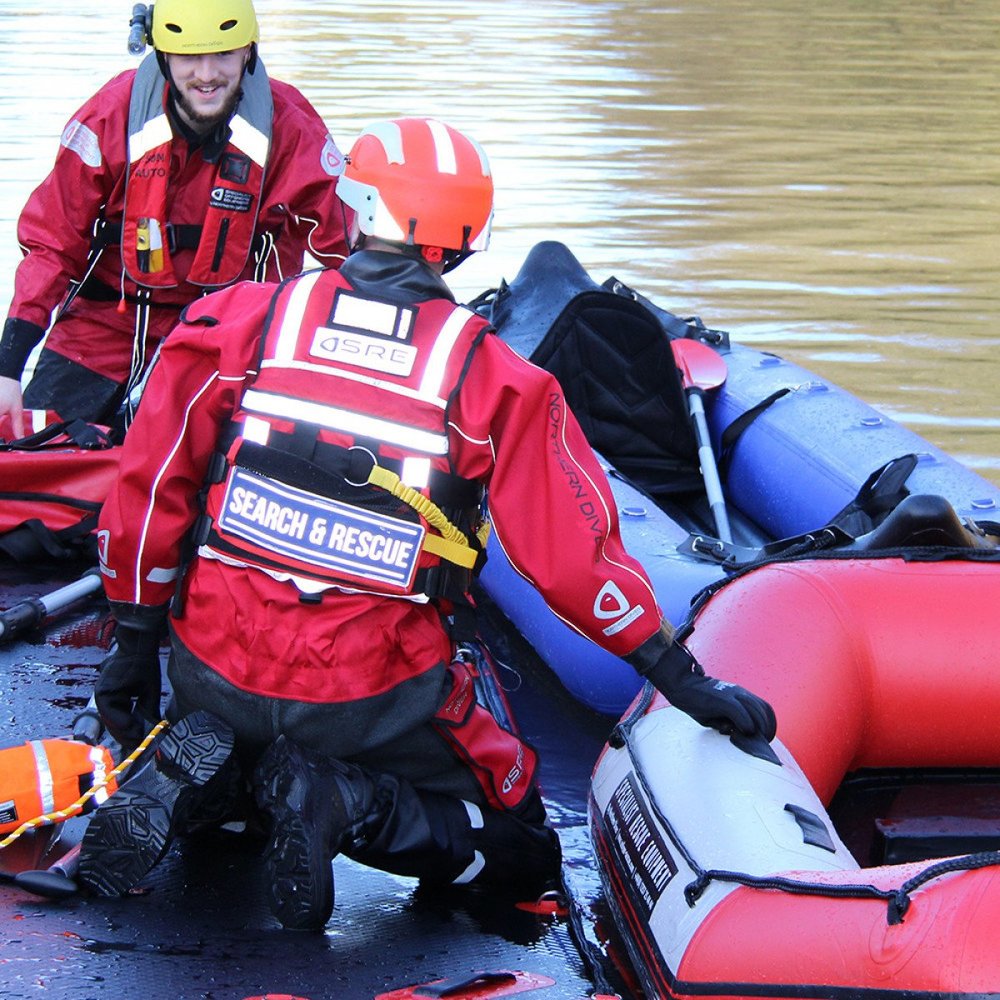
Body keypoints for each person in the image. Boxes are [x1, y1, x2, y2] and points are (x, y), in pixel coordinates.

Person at [78, 116, 776, 930]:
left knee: (241, 790)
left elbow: (151, 486)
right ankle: (348, 799)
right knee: (522, 855)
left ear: (355, 209)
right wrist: (681, 678)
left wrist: (132, 650)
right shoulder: (493, 378)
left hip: (210, 670)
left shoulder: (240, 322)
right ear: (468, 238)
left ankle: (218, 779)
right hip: (373, 693)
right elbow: (575, 559)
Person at [0, 0, 350, 438]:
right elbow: (52, 243)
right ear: (163, 55)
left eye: (222, 54)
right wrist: (7, 367)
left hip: (223, 344)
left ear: (248, 51)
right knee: (31, 460)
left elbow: (349, 247)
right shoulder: (111, 115)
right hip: (99, 332)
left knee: (210, 480)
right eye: (189, 57)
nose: (206, 75)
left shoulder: (293, 128)